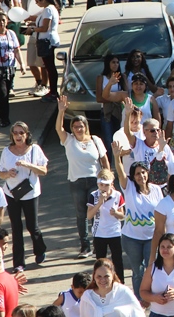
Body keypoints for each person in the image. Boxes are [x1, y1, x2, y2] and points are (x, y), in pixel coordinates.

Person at [56, 97, 109, 258]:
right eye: (75, 126)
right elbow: (59, 128)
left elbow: (104, 160)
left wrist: (108, 179)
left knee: (95, 212)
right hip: (76, 182)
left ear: (86, 127)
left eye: (81, 126)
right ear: (72, 128)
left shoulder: (95, 140)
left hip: (95, 180)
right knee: (81, 214)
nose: (78, 129)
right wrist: (61, 111)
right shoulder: (69, 140)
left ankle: (98, 245)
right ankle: (85, 247)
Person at [0, 122, 48, 272]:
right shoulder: (6, 151)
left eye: (21, 133)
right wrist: (8, 174)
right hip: (12, 193)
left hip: (30, 194)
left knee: (32, 226)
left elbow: (44, 171)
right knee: (16, 227)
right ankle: (19, 263)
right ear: (12, 135)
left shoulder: (35, 150)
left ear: (27, 135)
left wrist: (29, 165)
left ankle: (40, 249)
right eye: (15, 133)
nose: (18, 136)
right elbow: (0, 173)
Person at [113, 150, 163, 301]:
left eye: (143, 172)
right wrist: (117, 157)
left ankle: (150, 298)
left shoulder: (156, 189)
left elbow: (161, 211)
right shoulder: (128, 187)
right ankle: (139, 301)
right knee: (137, 271)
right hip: (131, 238)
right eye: (137, 174)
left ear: (147, 173)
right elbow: (120, 173)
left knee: (151, 269)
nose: (141, 176)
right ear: (133, 177)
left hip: (151, 238)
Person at [140, 233, 174, 317]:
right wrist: (154, 298)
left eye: (169, 247)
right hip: (157, 314)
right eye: (162, 247)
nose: (165, 250)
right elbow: (143, 291)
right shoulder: (152, 268)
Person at [86, 169, 125, 284]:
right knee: (100, 261)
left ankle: (120, 283)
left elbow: (122, 215)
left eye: (106, 185)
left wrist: (116, 213)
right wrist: (99, 203)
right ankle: (99, 284)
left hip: (114, 232)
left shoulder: (117, 195)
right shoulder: (94, 195)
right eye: (101, 184)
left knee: (117, 260)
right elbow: (89, 216)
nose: (103, 188)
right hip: (99, 233)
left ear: (111, 184)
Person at [25, 0, 60, 102]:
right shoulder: (48, 9)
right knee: (49, 67)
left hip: (47, 41)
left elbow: (45, 28)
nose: (36, 4)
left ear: (43, 0)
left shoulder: (49, 9)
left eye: (37, 1)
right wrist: (33, 25)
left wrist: (32, 29)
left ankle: (54, 92)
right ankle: (53, 91)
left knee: (50, 67)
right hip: (46, 40)